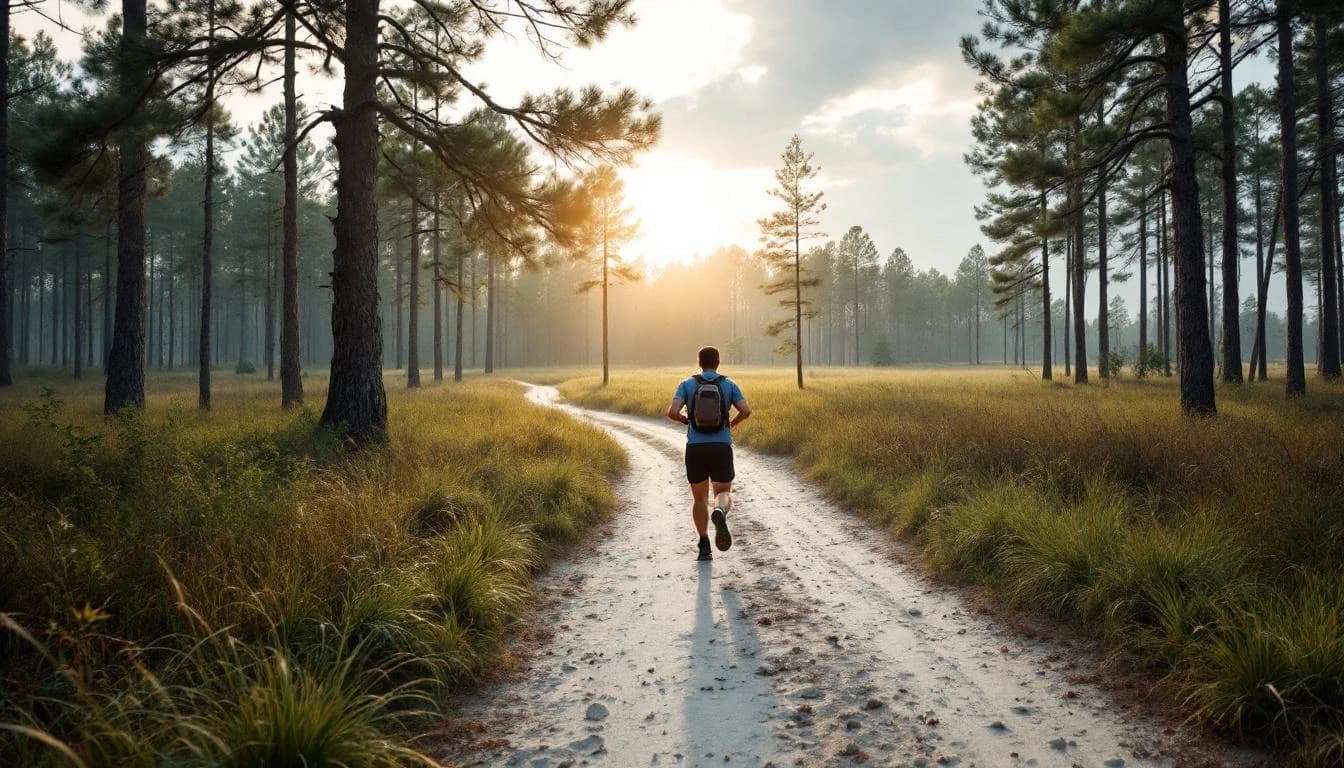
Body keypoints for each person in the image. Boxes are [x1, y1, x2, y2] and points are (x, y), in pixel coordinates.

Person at [667, 346, 751, 561]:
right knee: (723, 493)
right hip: (721, 447)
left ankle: (704, 545)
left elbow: (672, 413)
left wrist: (686, 419)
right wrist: (732, 423)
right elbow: (746, 411)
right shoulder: (729, 384)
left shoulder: (687, 384)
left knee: (699, 498)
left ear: (699, 362)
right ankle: (720, 512)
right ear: (718, 362)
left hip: (695, 448)